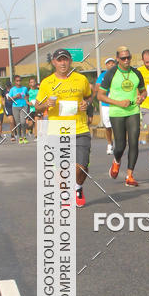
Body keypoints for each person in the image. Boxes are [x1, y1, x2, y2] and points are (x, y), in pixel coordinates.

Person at [35, 47, 93, 207]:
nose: (63, 63)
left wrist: (86, 103)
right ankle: (66, 193)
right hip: (57, 129)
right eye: (59, 60)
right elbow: (37, 106)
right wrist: (46, 104)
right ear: (54, 62)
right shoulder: (47, 83)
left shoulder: (81, 79)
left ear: (70, 61)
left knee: (82, 165)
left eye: (65, 59)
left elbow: (89, 97)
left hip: (80, 128)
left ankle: (78, 187)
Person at [96, 47, 146, 188]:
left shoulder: (136, 73)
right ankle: (116, 161)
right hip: (117, 112)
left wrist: (141, 97)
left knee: (134, 142)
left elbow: (143, 91)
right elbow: (100, 95)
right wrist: (118, 103)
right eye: (123, 58)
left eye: (128, 57)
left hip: (133, 111)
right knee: (120, 145)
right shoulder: (111, 73)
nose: (126, 60)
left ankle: (129, 175)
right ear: (117, 59)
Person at [95, 57, 116, 155]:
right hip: (106, 104)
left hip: (117, 104)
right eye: (109, 63)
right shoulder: (103, 75)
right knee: (108, 126)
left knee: (118, 125)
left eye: (112, 63)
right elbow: (98, 87)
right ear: (106, 65)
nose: (111, 65)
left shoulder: (119, 75)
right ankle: (109, 144)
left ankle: (119, 144)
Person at [9, 75, 29, 144]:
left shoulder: (24, 88)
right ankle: (20, 137)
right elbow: (9, 98)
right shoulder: (12, 89)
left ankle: (24, 136)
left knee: (23, 122)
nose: (19, 82)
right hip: (15, 107)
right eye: (17, 81)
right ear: (15, 82)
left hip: (24, 106)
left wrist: (27, 101)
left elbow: (27, 95)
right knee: (18, 123)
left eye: (20, 80)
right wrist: (15, 96)